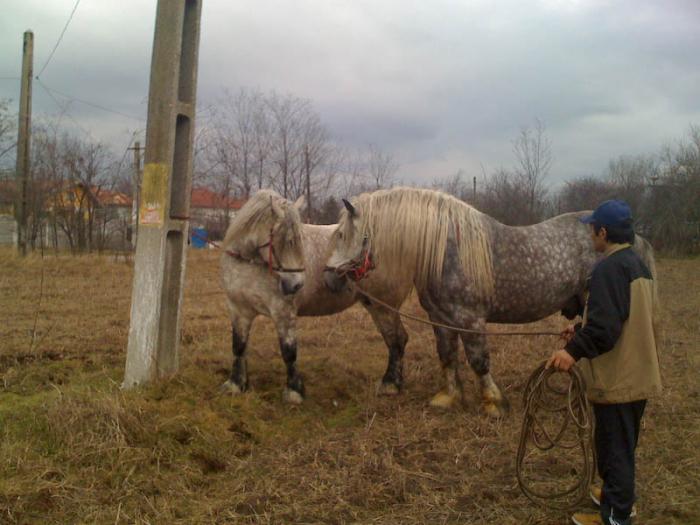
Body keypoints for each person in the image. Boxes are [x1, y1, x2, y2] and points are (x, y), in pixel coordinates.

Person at [546, 199, 662, 525]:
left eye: (592, 229)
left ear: (604, 231)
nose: (590, 235)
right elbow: (620, 317)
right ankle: (616, 498)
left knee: (615, 449)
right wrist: (580, 328)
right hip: (635, 371)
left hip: (619, 377)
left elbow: (606, 329)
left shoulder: (608, 269)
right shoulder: (634, 264)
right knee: (620, 445)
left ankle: (617, 516)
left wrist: (572, 351)